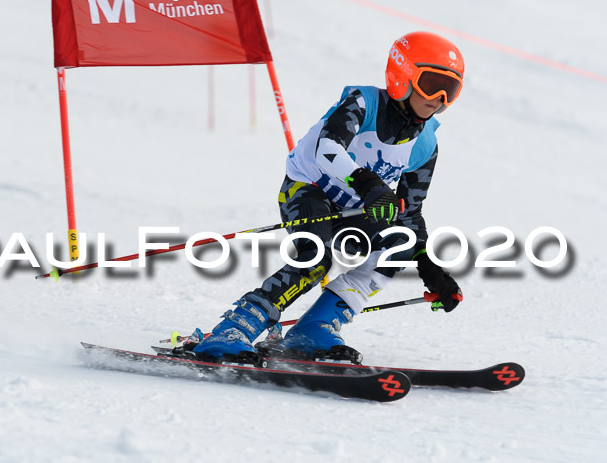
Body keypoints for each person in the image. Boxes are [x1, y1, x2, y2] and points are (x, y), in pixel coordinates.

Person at [191, 31, 465, 362]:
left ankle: (314, 329)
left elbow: (410, 214)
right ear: (402, 75)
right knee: (315, 259)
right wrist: (371, 186)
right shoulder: (364, 104)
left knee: (399, 244)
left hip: (353, 210)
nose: (439, 98)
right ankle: (233, 330)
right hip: (308, 189)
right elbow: (328, 148)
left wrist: (431, 268)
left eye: (450, 90)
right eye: (431, 84)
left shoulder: (425, 144)